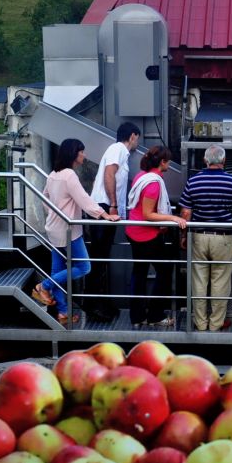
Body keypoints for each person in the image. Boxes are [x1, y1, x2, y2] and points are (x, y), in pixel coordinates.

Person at [32, 138, 119, 326]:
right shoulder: (69, 175)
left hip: (54, 228)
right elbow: (84, 199)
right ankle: (43, 286)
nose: (84, 155)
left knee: (58, 270)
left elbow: (44, 198)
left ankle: (63, 312)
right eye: (82, 152)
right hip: (69, 230)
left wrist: (54, 213)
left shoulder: (54, 174)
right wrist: (104, 215)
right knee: (84, 267)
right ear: (74, 154)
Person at [178, 145, 232, 332]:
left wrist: (184, 235)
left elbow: (186, 212)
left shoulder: (193, 181)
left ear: (205, 160)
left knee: (199, 281)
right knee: (220, 282)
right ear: (224, 161)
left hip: (198, 236)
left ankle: (200, 324)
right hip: (223, 238)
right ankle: (216, 324)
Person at [85, 122, 141, 320]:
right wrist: (114, 205)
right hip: (104, 207)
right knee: (99, 257)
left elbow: (101, 178)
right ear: (133, 136)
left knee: (103, 255)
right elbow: (110, 175)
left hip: (104, 206)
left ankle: (101, 303)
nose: (137, 142)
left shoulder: (118, 152)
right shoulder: (118, 149)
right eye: (137, 138)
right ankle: (92, 306)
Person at [125, 145, 186, 327]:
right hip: (146, 236)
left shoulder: (140, 176)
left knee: (139, 274)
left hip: (133, 232)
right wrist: (172, 218)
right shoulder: (153, 184)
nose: (170, 164)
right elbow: (147, 214)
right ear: (162, 162)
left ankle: (137, 317)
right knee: (165, 271)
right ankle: (155, 315)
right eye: (168, 161)